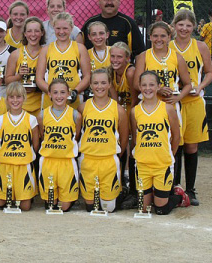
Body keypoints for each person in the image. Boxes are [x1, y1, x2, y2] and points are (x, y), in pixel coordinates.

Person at [133, 21, 192, 194]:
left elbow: (188, 84)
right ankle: (145, 185)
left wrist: (178, 97)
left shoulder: (176, 56)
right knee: (146, 139)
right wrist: (157, 89)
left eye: (163, 36)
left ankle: (174, 184)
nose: (159, 39)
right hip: (149, 105)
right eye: (155, 36)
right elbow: (137, 83)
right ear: (150, 37)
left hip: (169, 106)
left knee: (175, 140)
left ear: (169, 37)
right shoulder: (144, 56)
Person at [170, 10, 212, 205]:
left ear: (194, 27)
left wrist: (200, 86)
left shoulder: (201, 46)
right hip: (174, 101)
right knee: (175, 144)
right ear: (174, 25)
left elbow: (210, 72)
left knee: (191, 145)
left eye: (188, 25)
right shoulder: (168, 46)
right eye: (180, 24)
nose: (184, 29)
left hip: (194, 102)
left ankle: (191, 189)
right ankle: (176, 187)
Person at [131, 71, 190, 215]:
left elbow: (176, 136)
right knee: (143, 209)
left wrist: (171, 155)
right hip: (143, 164)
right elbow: (135, 137)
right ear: (139, 86)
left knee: (161, 210)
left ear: (158, 86)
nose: (148, 88)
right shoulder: (134, 111)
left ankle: (179, 196)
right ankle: (152, 194)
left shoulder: (168, 108)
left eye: (152, 85)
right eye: (144, 85)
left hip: (162, 164)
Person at [78, 69, 128, 212]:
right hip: (88, 159)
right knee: (90, 207)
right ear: (90, 85)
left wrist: (116, 153)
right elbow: (77, 135)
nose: (99, 86)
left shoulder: (118, 110)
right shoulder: (83, 108)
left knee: (108, 208)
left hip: (109, 160)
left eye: (103, 83)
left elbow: (124, 139)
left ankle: (122, 191)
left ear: (109, 85)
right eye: (96, 83)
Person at [0, 82, 39, 211]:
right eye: (11, 97)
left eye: (18, 97)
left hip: (23, 166)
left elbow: (35, 144)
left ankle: (22, 194)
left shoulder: (31, 119)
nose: (15, 100)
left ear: (24, 98)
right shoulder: (0, 120)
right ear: (6, 99)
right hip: (4, 165)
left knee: (25, 207)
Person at [38, 79, 81, 212]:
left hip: (67, 162)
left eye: (63, 92)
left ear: (68, 94)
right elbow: (42, 135)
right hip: (48, 161)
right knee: (50, 204)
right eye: (55, 92)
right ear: (49, 94)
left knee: (64, 207)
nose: (59, 96)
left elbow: (76, 136)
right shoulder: (42, 115)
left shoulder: (75, 115)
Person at [37, 12, 91, 110]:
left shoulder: (80, 48)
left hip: (74, 100)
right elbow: (39, 79)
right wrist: (53, 93)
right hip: (50, 101)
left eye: (65, 28)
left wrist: (75, 91)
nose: (61, 32)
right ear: (54, 28)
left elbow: (87, 76)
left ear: (71, 28)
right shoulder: (46, 49)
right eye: (58, 28)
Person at [81, 0, 145, 59]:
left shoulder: (128, 23)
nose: (109, 2)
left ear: (119, 0)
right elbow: (80, 51)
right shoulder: (89, 23)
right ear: (98, 0)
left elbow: (140, 54)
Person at [110, 42, 138, 208]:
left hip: (132, 112)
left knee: (132, 148)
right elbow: (114, 101)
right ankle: (121, 186)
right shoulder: (111, 73)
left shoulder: (130, 72)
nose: (115, 60)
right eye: (113, 56)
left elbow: (134, 99)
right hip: (121, 112)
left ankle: (134, 190)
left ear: (127, 58)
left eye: (119, 56)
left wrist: (128, 121)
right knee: (120, 146)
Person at [5, 17, 45, 117]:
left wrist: (38, 85)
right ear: (25, 34)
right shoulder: (16, 54)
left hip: (41, 104)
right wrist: (19, 76)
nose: (33, 34)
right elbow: (7, 81)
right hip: (21, 106)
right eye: (29, 31)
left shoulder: (47, 52)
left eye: (37, 31)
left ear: (42, 33)